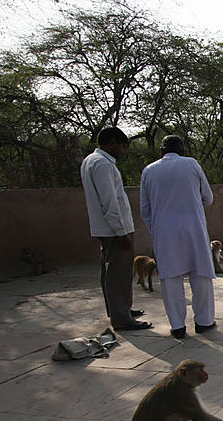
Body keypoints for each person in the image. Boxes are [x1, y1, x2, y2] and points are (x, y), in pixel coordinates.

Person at [140, 135, 216, 339]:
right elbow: (208, 198)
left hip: (164, 232)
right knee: (201, 275)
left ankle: (178, 326)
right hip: (193, 229)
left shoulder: (149, 170)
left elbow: (145, 209)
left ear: (161, 152)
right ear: (182, 151)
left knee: (170, 278)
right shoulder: (191, 164)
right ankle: (204, 322)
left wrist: (156, 230)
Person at [80, 126, 152, 331]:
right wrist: (121, 232)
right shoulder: (102, 164)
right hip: (114, 229)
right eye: (122, 147)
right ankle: (121, 317)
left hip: (106, 228)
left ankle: (119, 309)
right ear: (113, 142)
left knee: (110, 271)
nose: (123, 151)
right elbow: (109, 201)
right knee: (118, 273)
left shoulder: (91, 161)